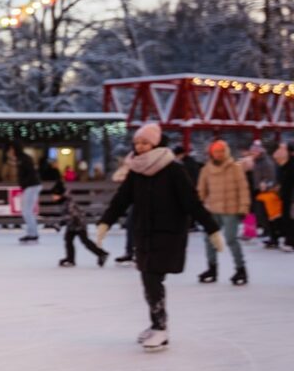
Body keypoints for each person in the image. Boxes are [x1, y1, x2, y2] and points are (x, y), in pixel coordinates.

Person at [96, 123, 222, 352]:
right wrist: (105, 222)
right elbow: (122, 199)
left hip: (168, 234)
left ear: (156, 143)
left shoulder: (173, 169)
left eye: (145, 142)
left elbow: (191, 201)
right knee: (147, 279)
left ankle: (161, 328)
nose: (140, 147)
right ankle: (156, 324)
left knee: (153, 279)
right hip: (144, 233)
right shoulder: (136, 170)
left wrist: (212, 229)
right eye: (137, 143)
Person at [195, 140, 251, 285]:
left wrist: (244, 207)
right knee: (209, 238)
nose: (219, 154)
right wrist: (196, 207)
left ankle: (240, 269)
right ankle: (212, 268)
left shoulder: (235, 167)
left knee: (231, 239)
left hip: (231, 210)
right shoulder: (206, 169)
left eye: (221, 151)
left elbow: (243, 189)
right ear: (211, 153)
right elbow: (201, 190)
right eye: (216, 151)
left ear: (226, 152)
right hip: (213, 209)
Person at [56, 187, 108, 267]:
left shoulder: (68, 203)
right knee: (68, 240)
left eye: (55, 195)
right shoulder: (63, 202)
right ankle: (70, 259)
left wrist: (60, 223)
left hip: (78, 224)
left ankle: (101, 253)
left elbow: (72, 215)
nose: (53, 197)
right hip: (72, 224)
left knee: (84, 241)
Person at [2, 141, 41, 243]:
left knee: (27, 211)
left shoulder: (24, 159)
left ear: (15, 149)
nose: (10, 151)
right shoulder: (22, 158)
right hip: (31, 186)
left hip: (31, 186)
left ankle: (33, 234)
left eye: (11, 149)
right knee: (27, 211)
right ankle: (32, 233)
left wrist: (25, 184)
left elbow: (30, 172)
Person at [274, 142, 294, 251]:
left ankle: (290, 242)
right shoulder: (286, 164)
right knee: (287, 217)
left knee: (290, 219)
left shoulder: (290, 164)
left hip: (291, 196)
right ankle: (288, 240)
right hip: (286, 195)